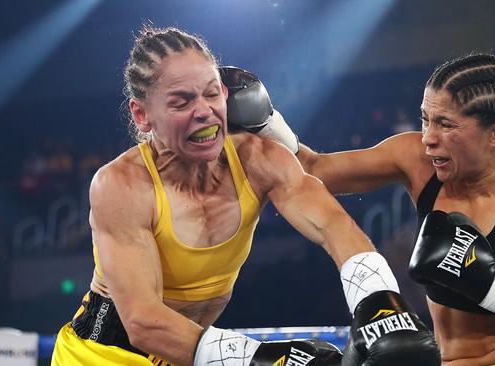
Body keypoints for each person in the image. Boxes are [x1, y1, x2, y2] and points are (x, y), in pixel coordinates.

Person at [50, 26, 440, 366]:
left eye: (211, 93)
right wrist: (266, 359)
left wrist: (382, 306)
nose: (204, 111)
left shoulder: (259, 160)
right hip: (101, 356)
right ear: (142, 115)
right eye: (182, 101)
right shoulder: (121, 184)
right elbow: (143, 322)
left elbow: (333, 225)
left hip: (192, 355)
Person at [240, 53, 495, 366]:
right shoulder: (417, 160)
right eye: (426, 119)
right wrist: (264, 121)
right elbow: (314, 169)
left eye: (446, 124)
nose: (428, 136)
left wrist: (490, 278)